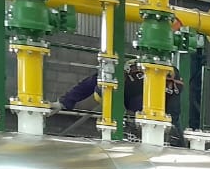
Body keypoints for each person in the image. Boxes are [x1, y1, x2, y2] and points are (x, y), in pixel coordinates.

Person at [56, 60, 184, 141]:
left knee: (169, 128)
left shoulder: (122, 82)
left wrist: (64, 102)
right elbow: (87, 84)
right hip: (165, 91)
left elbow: (88, 84)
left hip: (161, 95)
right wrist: (63, 102)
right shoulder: (115, 77)